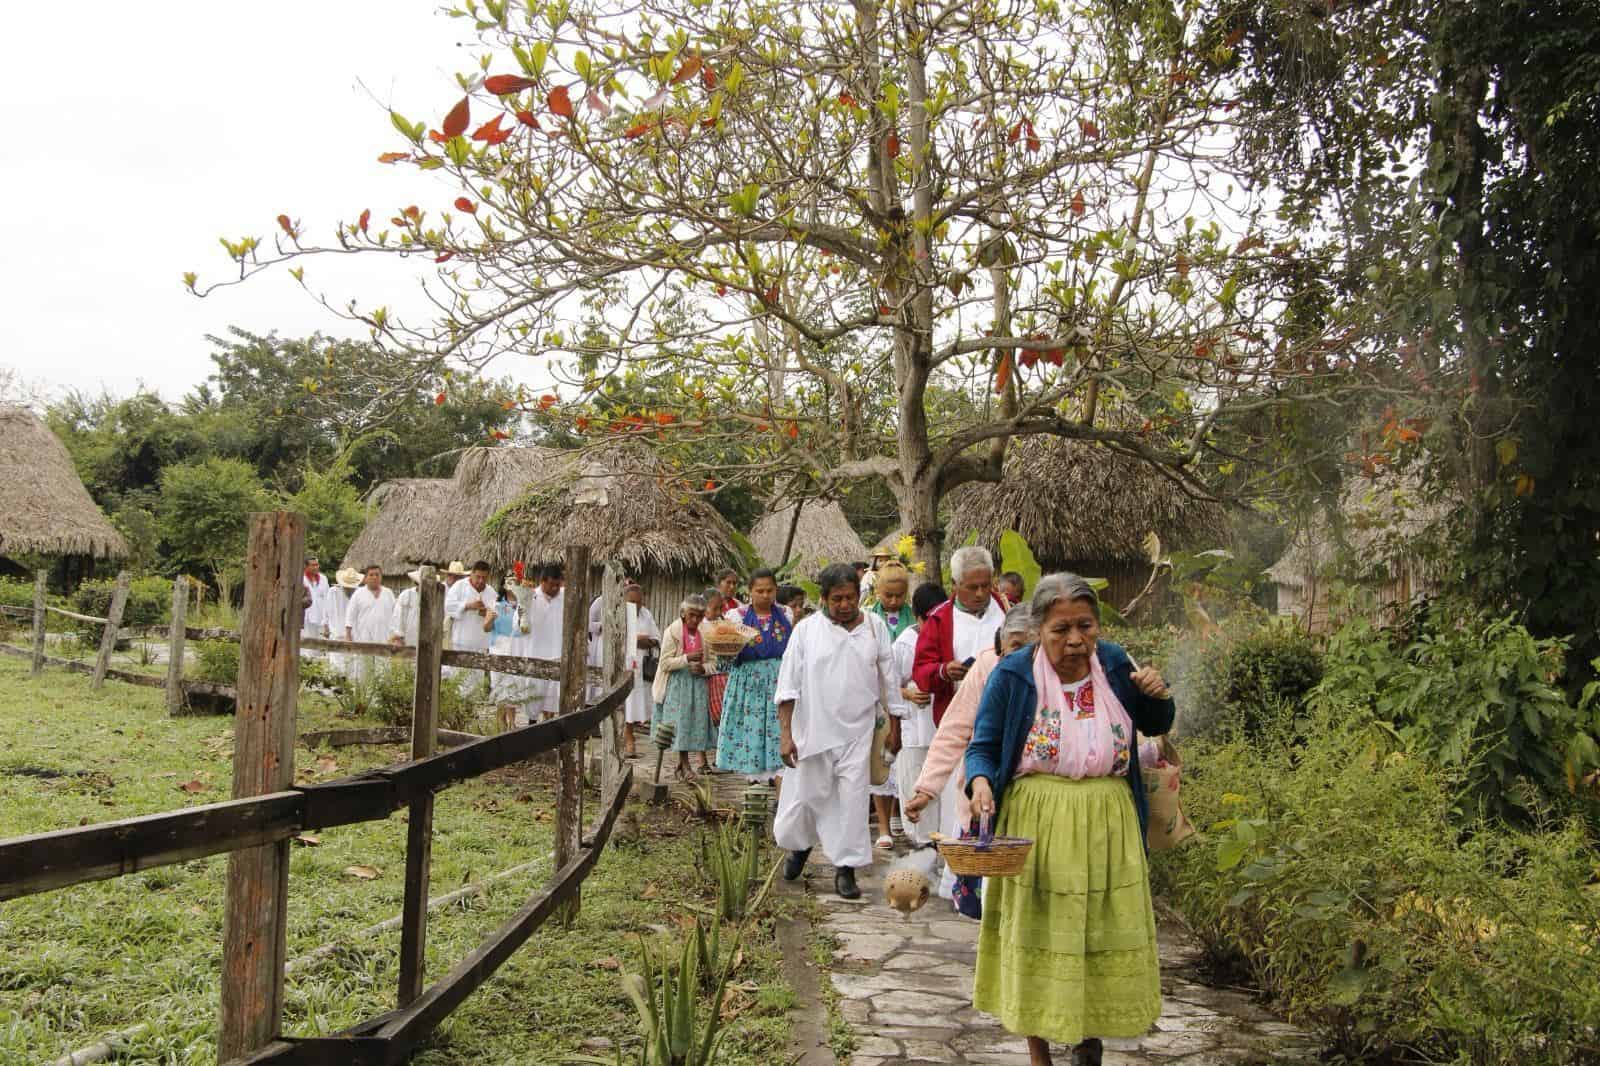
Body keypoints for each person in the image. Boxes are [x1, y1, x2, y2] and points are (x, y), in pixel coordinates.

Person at [965, 574, 1175, 1066]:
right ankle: (1039, 1049)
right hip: (1038, 827)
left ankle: (1090, 1037)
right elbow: (983, 745)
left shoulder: (1117, 664)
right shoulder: (1014, 674)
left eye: (1086, 626)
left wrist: (1158, 695)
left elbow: (1156, 724)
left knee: (1097, 934)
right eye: (1061, 629)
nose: (1075, 640)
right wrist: (979, 783)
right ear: (1040, 628)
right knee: (1038, 935)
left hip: (1108, 822)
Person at [774, 563, 897, 900]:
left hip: (858, 732)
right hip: (812, 731)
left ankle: (847, 869)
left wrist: (895, 726)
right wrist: (786, 734)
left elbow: (889, 679)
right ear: (824, 598)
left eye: (851, 597)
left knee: (853, 802)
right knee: (808, 798)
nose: (845, 605)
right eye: (838, 598)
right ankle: (800, 846)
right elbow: (787, 687)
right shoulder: (806, 631)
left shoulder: (874, 628)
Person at [906, 602, 1038, 912]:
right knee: (985, 900)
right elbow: (955, 729)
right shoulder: (988, 666)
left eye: (1029, 647)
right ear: (1000, 643)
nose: (1019, 657)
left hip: (1038, 802)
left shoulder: (1055, 674)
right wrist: (926, 789)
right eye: (1013, 646)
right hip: (986, 796)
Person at [912, 545, 1008, 727]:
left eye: (985, 585)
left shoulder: (1008, 610)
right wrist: (943, 671)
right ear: (955, 584)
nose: (980, 593)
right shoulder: (938, 620)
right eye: (972, 587)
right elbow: (920, 671)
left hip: (1004, 715)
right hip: (958, 720)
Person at [715, 568, 792, 782]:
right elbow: (725, 657)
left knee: (778, 732)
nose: (765, 595)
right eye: (760, 591)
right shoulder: (735, 616)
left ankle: (779, 797)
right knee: (751, 732)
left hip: (778, 681)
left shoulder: (786, 614)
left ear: (776, 590)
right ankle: (754, 789)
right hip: (747, 684)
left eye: (769, 590)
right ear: (750, 591)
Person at [888, 582, 950, 846]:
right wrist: (909, 694)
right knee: (915, 782)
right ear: (918, 616)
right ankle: (921, 843)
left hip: (943, 728)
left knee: (943, 789)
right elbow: (888, 685)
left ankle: (942, 840)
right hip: (914, 728)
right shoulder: (904, 644)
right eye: (929, 619)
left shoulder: (949, 639)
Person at [867, 561, 915, 846]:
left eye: (899, 596)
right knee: (879, 758)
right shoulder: (868, 620)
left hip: (908, 701)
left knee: (903, 760)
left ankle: (898, 811)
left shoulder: (914, 620)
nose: (894, 601)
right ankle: (882, 825)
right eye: (888, 596)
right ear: (877, 592)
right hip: (877, 698)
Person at [652, 594, 716, 780]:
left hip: (698, 684)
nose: (695, 620)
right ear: (683, 614)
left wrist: (703, 668)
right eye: (691, 615)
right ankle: (686, 764)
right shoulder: (672, 632)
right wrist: (687, 659)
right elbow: (664, 664)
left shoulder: (706, 632)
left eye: (699, 616)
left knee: (693, 724)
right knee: (680, 723)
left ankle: (682, 766)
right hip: (677, 685)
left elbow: (714, 662)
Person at [445, 560, 499, 697]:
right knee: (460, 682)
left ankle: (471, 712)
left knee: (476, 684)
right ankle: (458, 713)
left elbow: (494, 615)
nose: (481, 581)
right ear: (472, 574)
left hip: (480, 645)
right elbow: (448, 607)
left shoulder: (491, 592)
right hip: (461, 643)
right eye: (478, 577)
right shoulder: (459, 586)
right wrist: (468, 606)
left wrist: (485, 613)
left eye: (484, 578)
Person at [520, 564, 565, 721]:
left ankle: (550, 733)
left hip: (558, 655)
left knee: (552, 702)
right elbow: (517, 626)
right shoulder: (529, 596)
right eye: (552, 584)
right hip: (535, 654)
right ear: (542, 582)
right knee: (534, 699)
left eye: (558, 585)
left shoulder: (565, 597)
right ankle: (531, 727)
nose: (555, 588)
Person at [622, 581, 660, 757]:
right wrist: (634, 639)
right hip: (624, 663)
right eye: (632, 601)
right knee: (626, 700)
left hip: (642, 663)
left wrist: (645, 640)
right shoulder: (621, 614)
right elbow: (619, 638)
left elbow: (656, 637)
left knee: (638, 700)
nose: (636, 605)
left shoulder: (646, 614)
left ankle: (630, 734)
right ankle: (628, 738)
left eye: (639, 601)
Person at [344, 565, 398, 682]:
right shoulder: (358, 594)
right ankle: (364, 699)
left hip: (384, 638)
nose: (374, 577)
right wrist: (348, 636)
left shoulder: (388, 593)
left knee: (383, 671)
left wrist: (396, 636)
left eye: (377, 575)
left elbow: (395, 616)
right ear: (365, 578)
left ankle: (381, 697)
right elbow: (350, 615)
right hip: (363, 638)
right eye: (371, 575)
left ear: (381, 577)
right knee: (364, 670)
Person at [301, 555, 332, 640]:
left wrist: (327, 619)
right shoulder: (301, 579)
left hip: (321, 617)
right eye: (313, 565)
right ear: (306, 566)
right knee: (307, 645)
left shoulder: (323, 579)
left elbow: (328, 599)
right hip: (307, 618)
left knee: (321, 646)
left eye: (317, 564)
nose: (316, 567)